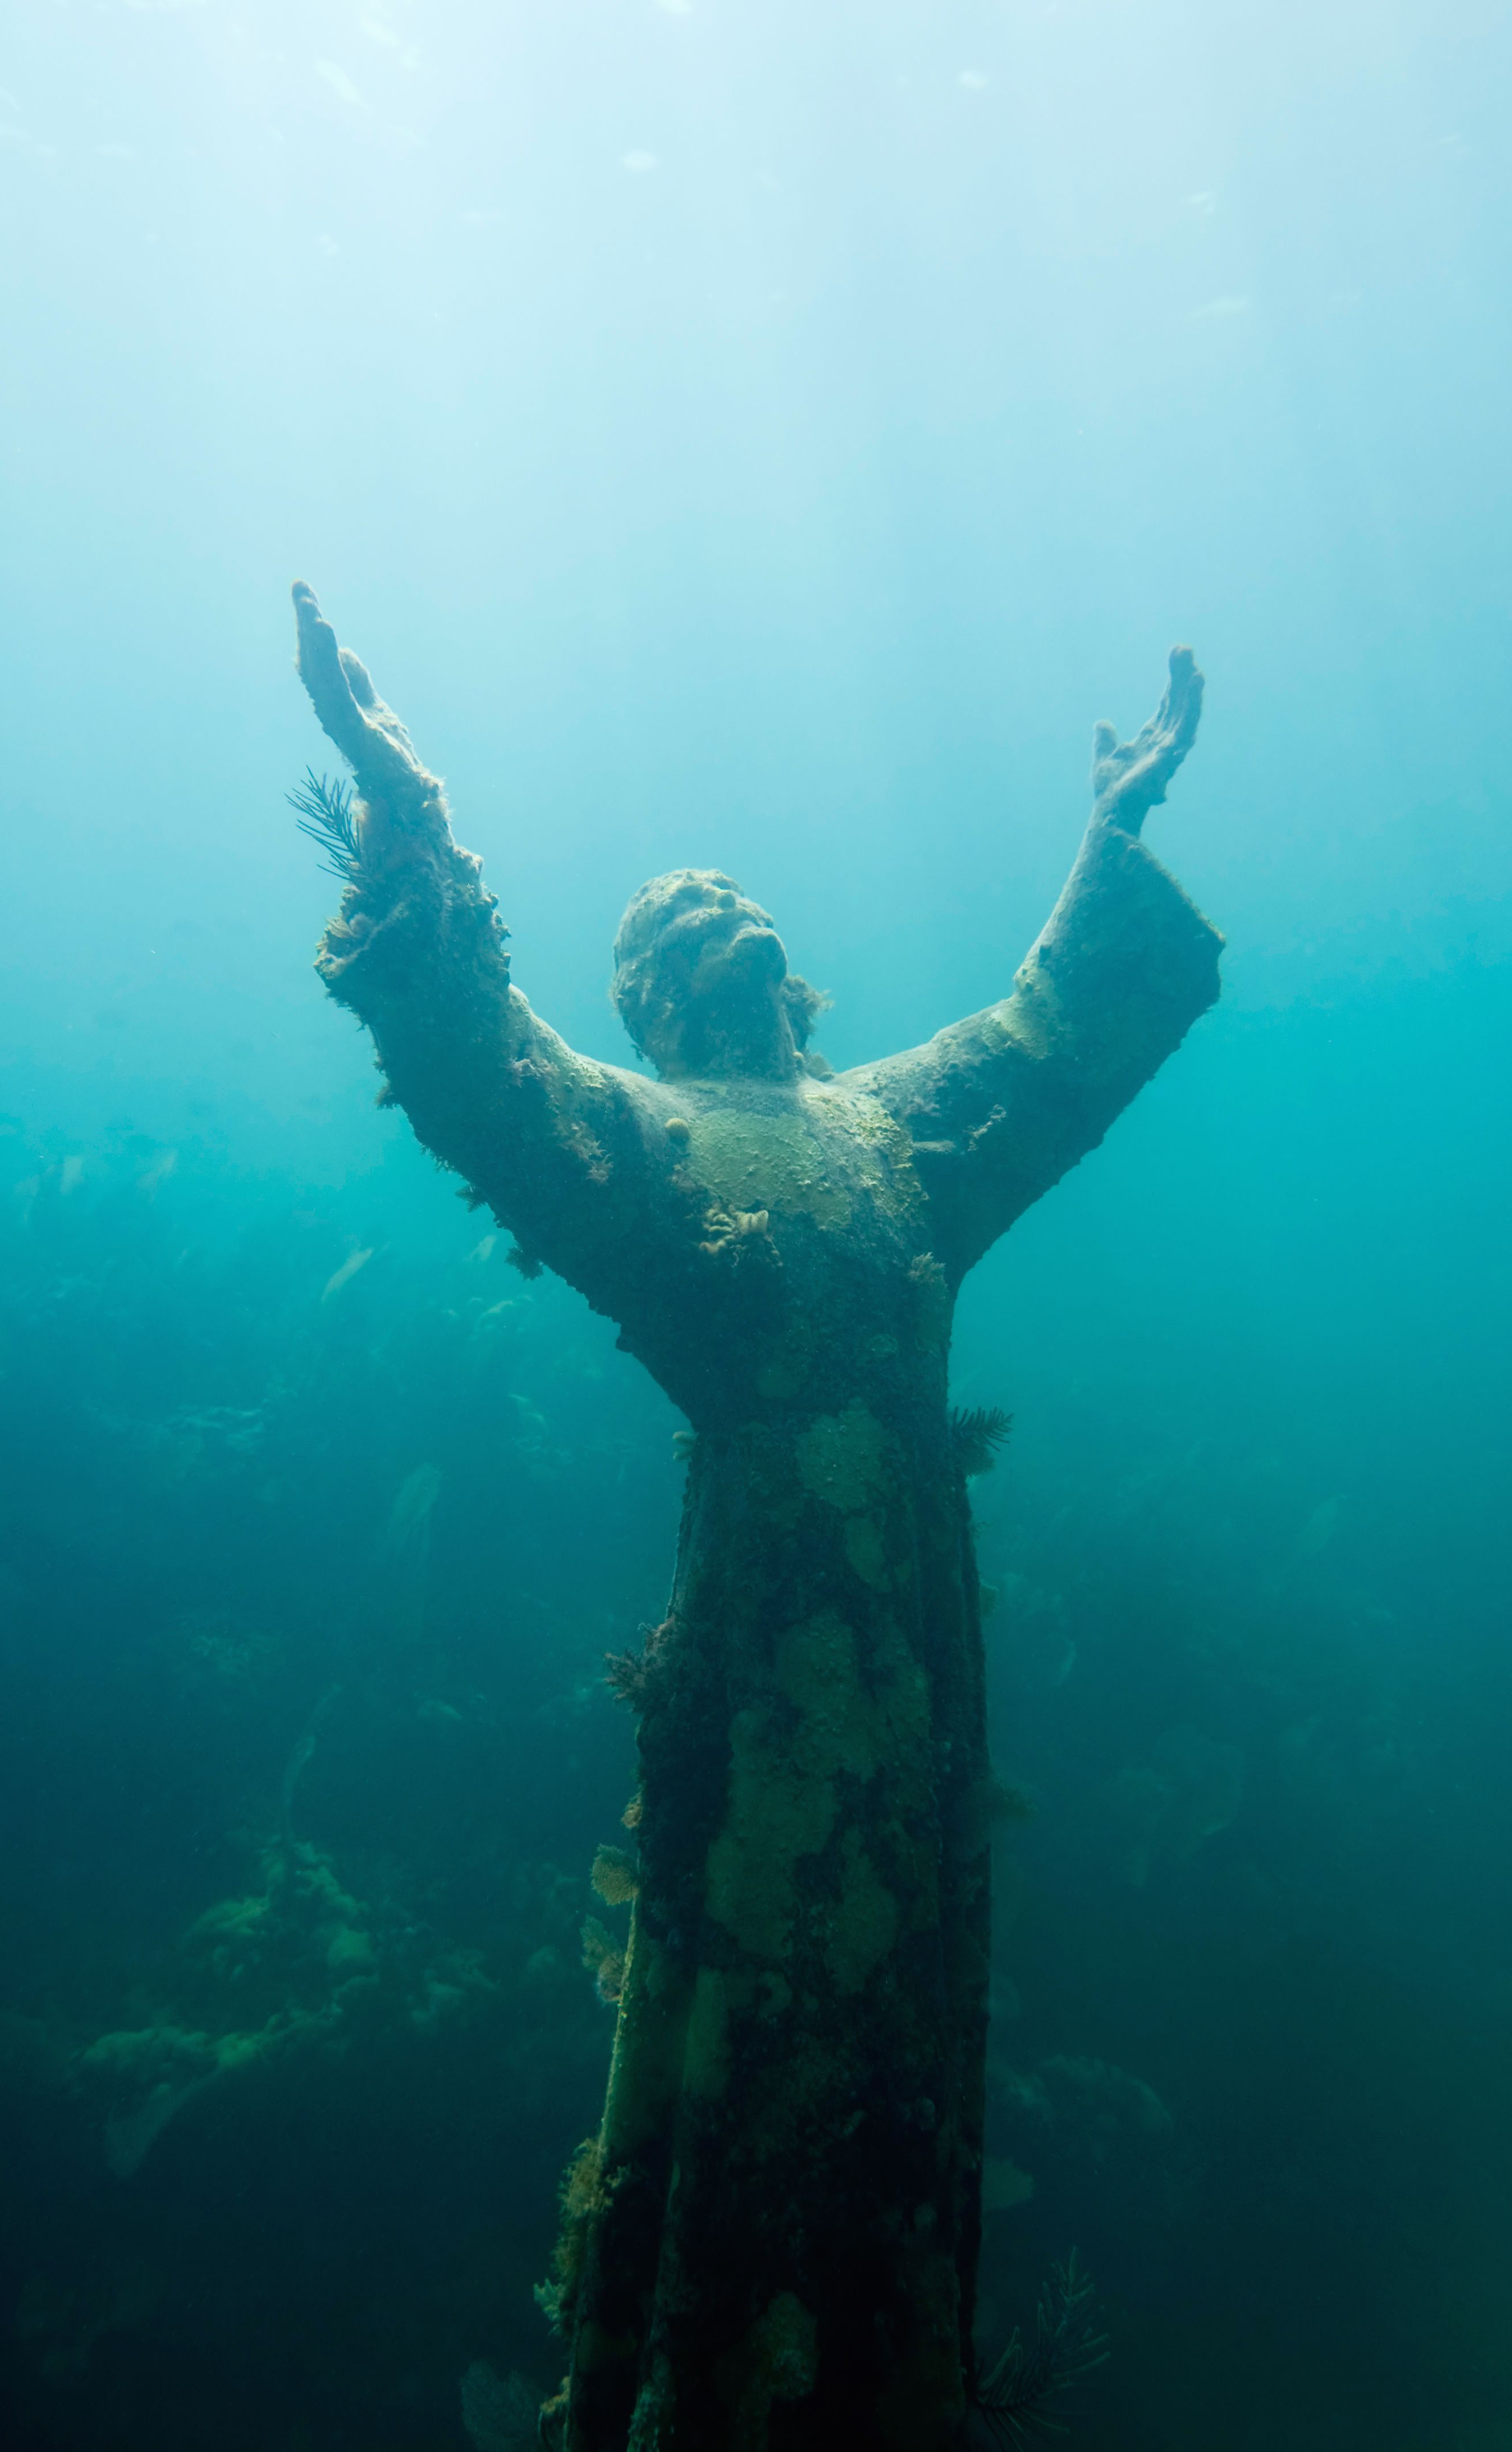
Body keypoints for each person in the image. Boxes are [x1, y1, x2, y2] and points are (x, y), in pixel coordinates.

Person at [290, 584, 1220, 2451]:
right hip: (775, 1682)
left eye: (723, 900)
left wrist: (1108, 839)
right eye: (666, 925)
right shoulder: (645, 1146)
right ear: (645, 1003)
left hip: (917, 1687)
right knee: (751, 2067)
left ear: (789, 964)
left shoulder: (899, 1133)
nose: (708, 920)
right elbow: (487, 1071)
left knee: (907, 2046)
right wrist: (406, 816)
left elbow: (1053, 1029)